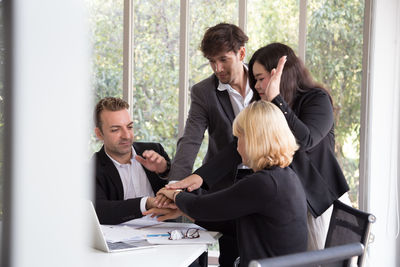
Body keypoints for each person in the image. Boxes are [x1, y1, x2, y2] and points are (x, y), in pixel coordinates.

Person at [167, 43, 350, 251]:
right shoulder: (268, 107)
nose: (257, 86)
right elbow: (241, 143)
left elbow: (306, 140)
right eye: (255, 80)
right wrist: (200, 177)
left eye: (261, 79)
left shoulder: (316, 99)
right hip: (289, 200)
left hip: (319, 200)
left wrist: (276, 99)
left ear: (281, 76)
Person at [154, 101, 308, 267]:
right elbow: (233, 223)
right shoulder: (285, 177)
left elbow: (204, 207)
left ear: (253, 140)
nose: (237, 146)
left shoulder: (263, 183)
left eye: (239, 137)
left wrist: (174, 194)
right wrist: (183, 210)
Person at [168, 23, 251, 266]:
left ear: (241, 54)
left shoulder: (262, 82)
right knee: (230, 254)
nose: (218, 68)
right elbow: (191, 138)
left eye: (223, 60)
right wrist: (176, 185)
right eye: (211, 61)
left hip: (264, 180)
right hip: (225, 181)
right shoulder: (204, 92)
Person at [93, 97, 173, 225]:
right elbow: (100, 211)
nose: (126, 135)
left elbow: (188, 192)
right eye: (115, 130)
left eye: (129, 127)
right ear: (99, 134)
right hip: (120, 241)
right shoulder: (91, 168)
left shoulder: (155, 151)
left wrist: (164, 171)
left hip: (166, 236)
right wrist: (145, 203)